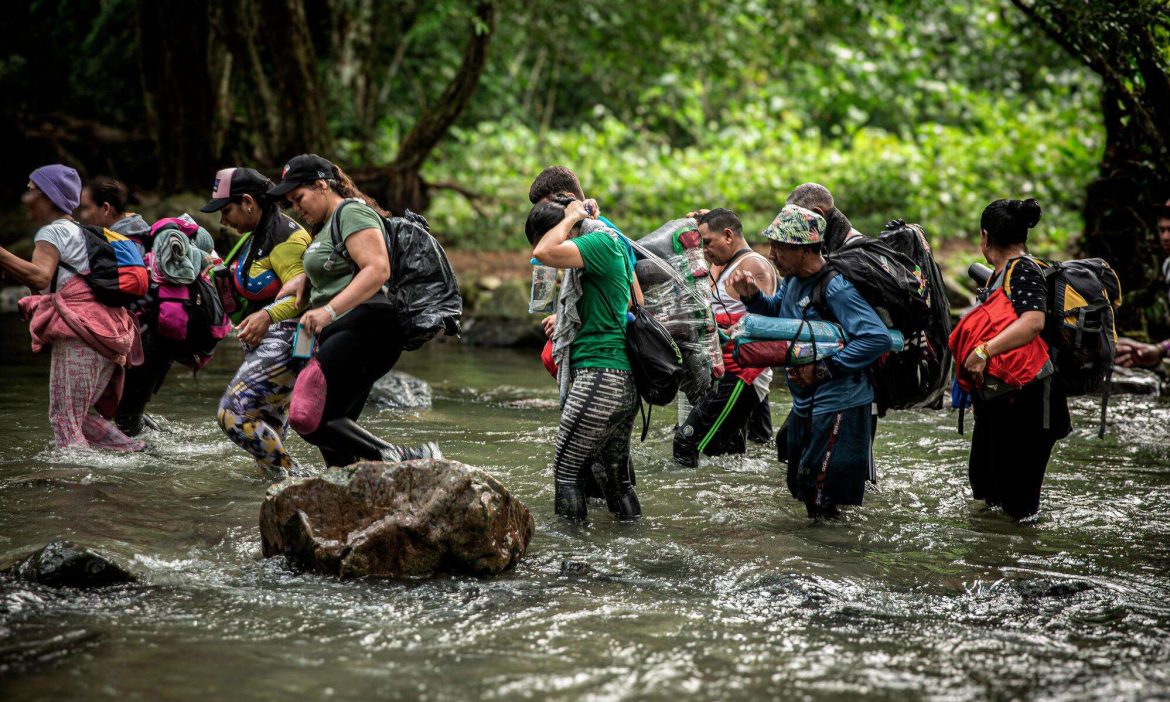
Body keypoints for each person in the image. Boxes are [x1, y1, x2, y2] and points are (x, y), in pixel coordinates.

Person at [268, 154, 440, 468]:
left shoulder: (351, 212)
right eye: (291, 202)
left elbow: (377, 269)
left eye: (299, 197)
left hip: (369, 326)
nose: (296, 207)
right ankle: (350, 490)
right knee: (332, 429)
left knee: (307, 416)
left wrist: (328, 312)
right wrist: (304, 281)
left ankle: (407, 458)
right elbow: (336, 264)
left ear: (321, 186)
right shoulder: (326, 226)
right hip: (346, 328)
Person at [730, 205, 888, 519]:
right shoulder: (792, 280)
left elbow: (875, 338)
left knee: (820, 492)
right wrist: (752, 297)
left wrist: (823, 369)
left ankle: (835, 559)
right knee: (801, 485)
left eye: (780, 248)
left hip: (840, 402)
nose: (771, 255)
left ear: (804, 251)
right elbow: (781, 314)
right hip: (807, 402)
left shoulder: (836, 287)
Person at [0, 165, 143, 451]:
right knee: (80, 419)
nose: (25, 198)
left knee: (63, 420)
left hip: (81, 334)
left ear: (49, 196)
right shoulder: (79, 232)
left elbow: (40, 276)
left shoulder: (51, 233)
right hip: (107, 334)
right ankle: (140, 455)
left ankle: (74, 487)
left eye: (31, 191)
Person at [527, 195, 641, 521]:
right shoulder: (606, 241)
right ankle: (632, 542)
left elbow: (544, 251)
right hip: (618, 380)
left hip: (601, 376)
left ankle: (571, 560)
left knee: (566, 472)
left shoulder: (598, 242)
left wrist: (567, 219)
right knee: (615, 482)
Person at [955, 198, 1071, 520]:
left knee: (1019, 505)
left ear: (985, 235)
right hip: (1003, 398)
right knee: (987, 487)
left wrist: (983, 351)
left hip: (1032, 401)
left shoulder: (1023, 270)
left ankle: (1019, 565)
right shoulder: (999, 275)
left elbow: (1033, 321)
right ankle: (997, 558)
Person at [203, 167, 313, 480]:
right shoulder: (258, 235)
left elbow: (305, 296)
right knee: (267, 429)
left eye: (227, 211)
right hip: (267, 343)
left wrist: (266, 316)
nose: (223, 221)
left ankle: (297, 480)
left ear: (249, 202)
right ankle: (288, 494)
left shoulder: (286, 239)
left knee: (232, 414)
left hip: (291, 339)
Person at [673, 208, 778, 467]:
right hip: (725, 372)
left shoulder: (753, 264)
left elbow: (769, 321)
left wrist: (728, 331)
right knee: (727, 458)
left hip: (743, 374)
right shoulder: (726, 265)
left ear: (728, 235)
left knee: (687, 442)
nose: (705, 249)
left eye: (707, 242)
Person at [785, 182, 865, 254]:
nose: (794, 227)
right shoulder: (835, 247)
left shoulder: (855, 253)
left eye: (797, 219)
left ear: (818, 214)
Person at [77, 177, 152, 252]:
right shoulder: (139, 236)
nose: (83, 215)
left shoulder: (118, 249)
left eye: (86, 208)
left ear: (106, 208)